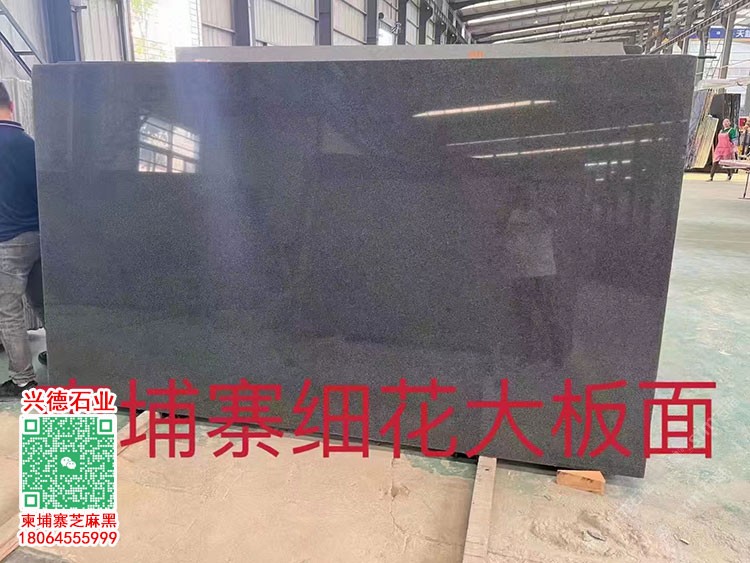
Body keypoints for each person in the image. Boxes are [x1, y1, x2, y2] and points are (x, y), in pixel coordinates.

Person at [0, 82, 46, 398]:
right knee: (44, 303)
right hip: (41, 237)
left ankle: (23, 381)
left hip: (7, 240)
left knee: (8, 311)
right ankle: (67, 357)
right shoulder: (32, 145)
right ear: (12, 106)